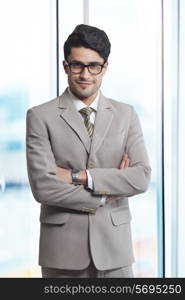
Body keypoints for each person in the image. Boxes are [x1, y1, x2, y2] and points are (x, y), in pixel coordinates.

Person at [26, 24, 151, 278]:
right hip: (62, 253)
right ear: (65, 66)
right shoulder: (40, 116)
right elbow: (43, 186)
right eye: (77, 65)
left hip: (116, 252)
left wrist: (79, 176)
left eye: (94, 66)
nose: (85, 74)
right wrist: (106, 194)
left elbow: (141, 177)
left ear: (105, 67)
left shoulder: (126, 114)